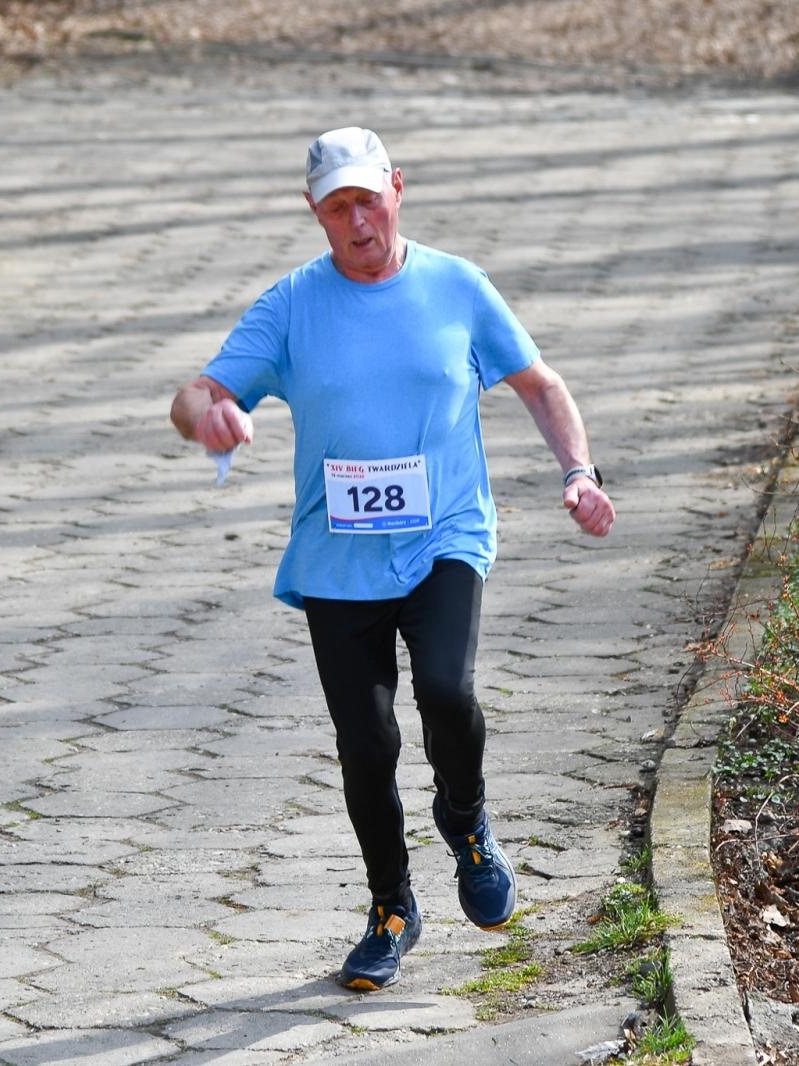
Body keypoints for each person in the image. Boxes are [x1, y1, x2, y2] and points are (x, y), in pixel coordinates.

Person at [170, 126, 614, 991]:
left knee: (447, 691)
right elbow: (194, 393)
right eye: (337, 206)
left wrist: (578, 472)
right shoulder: (293, 305)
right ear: (315, 212)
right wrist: (207, 418)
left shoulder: (456, 286)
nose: (357, 220)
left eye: (367, 199)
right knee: (365, 743)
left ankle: (467, 820)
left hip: (445, 534)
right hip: (338, 559)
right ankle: (391, 907)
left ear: (397, 190)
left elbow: (542, 385)